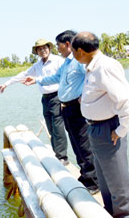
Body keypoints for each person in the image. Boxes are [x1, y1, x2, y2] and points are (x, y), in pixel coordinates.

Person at [23, 30, 98, 193]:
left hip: (77, 108)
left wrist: (84, 95)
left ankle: (93, 181)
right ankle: (85, 175)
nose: (57, 49)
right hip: (67, 108)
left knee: (84, 144)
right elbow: (56, 78)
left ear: (68, 44)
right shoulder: (66, 63)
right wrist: (36, 80)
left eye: (58, 45)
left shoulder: (78, 61)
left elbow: (92, 78)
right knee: (76, 143)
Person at [71, 32, 129, 217]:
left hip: (109, 129)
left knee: (119, 183)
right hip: (95, 128)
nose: (73, 55)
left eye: (73, 51)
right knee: (105, 180)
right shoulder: (92, 67)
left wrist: (121, 130)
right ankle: (108, 213)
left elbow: (127, 98)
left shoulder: (104, 67)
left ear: (81, 51)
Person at [0, 39, 69, 165]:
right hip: (45, 98)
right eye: (39, 49)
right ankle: (57, 154)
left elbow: (65, 78)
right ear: (37, 52)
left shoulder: (58, 61)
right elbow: (23, 75)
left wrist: (65, 97)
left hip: (57, 97)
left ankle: (63, 157)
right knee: (51, 127)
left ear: (49, 48)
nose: (43, 51)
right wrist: (6, 84)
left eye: (44, 48)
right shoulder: (38, 65)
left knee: (58, 127)